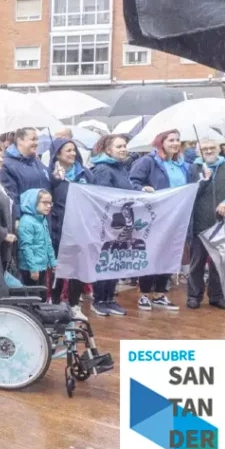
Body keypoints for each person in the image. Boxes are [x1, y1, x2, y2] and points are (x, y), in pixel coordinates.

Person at [130, 130, 196, 311]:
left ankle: (160, 293)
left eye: (177, 140)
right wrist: (143, 188)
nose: (175, 143)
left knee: (170, 254)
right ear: (161, 142)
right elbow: (132, 181)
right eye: (171, 140)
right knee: (151, 253)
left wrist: (203, 178)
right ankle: (144, 293)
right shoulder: (148, 162)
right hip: (155, 217)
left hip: (178, 217)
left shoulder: (184, 165)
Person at [89, 135, 135, 316]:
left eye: (125, 146)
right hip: (109, 223)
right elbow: (103, 197)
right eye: (119, 146)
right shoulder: (103, 169)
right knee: (106, 261)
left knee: (117, 261)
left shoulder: (122, 168)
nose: (124, 149)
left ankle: (109, 298)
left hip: (124, 222)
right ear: (108, 150)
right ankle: (98, 299)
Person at [48, 139, 94, 321]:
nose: (72, 154)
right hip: (59, 228)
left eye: (74, 150)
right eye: (68, 150)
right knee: (60, 268)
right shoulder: (50, 174)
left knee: (78, 268)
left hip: (81, 228)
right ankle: (56, 303)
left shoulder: (86, 174)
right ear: (58, 154)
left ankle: (74, 304)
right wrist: (54, 179)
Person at [188, 139, 225, 310]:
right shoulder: (192, 169)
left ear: (219, 149)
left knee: (219, 261)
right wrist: (204, 180)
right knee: (197, 262)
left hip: (221, 223)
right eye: (205, 149)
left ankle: (216, 296)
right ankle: (194, 295)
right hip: (199, 222)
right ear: (198, 152)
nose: (209, 151)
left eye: (212, 148)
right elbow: (189, 194)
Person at [0, 127, 50, 222]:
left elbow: (47, 184)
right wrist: (16, 219)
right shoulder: (6, 165)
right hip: (26, 224)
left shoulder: (36, 161)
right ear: (20, 141)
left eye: (37, 139)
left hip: (42, 221)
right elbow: (11, 197)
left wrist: (55, 177)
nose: (36, 143)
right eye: (33, 139)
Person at [17, 189, 58, 288]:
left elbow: (48, 243)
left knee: (42, 297)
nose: (48, 206)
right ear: (33, 202)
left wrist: (53, 262)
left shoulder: (42, 219)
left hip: (42, 266)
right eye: (45, 203)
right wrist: (33, 268)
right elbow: (26, 247)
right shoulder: (26, 222)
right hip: (30, 269)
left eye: (50, 203)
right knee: (33, 298)